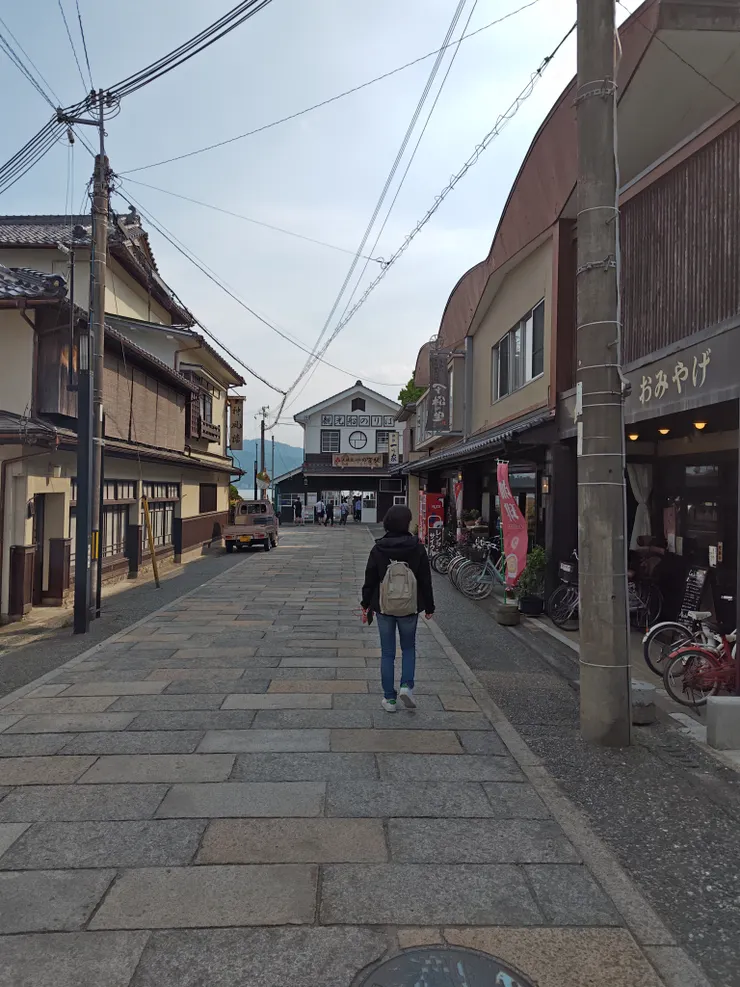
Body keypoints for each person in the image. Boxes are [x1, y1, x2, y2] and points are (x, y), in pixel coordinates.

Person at [361, 504, 435, 712]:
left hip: (384, 606)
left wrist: (365, 604)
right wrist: (429, 606)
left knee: (387, 653)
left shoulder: (378, 548)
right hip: (410, 607)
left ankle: (389, 699)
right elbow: (425, 580)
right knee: (409, 647)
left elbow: (370, 579)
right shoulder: (417, 548)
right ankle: (406, 686)